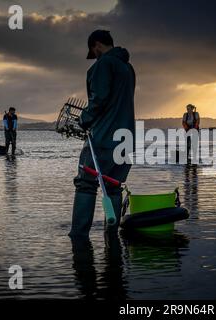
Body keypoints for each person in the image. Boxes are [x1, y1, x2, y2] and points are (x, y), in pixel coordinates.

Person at [69, 30, 136, 238]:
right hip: (126, 137)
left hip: (104, 136)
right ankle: (111, 237)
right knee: (114, 186)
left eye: (93, 50)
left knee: (86, 184)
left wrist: (83, 120)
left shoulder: (102, 65)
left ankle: (78, 238)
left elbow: (99, 100)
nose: (94, 55)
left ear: (96, 45)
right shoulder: (128, 68)